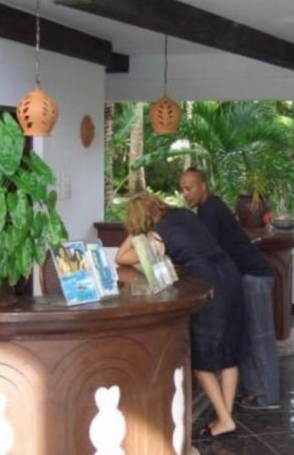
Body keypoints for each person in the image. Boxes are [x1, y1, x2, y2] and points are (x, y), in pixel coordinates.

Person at [116, 191, 244, 437]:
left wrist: (135, 231)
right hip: (230, 275)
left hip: (207, 283)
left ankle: (225, 419)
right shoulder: (184, 214)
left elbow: (121, 258)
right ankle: (224, 418)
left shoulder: (157, 236)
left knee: (201, 359)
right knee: (230, 353)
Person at [179, 168, 281, 411]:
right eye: (182, 189)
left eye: (189, 188)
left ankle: (268, 396)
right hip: (245, 276)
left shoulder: (209, 210)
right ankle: (255, 391)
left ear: (203, 186)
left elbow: (207, 250)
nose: (185, 194)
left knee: (259, 336)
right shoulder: (209, 208)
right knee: (248, 336)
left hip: (254, 275)